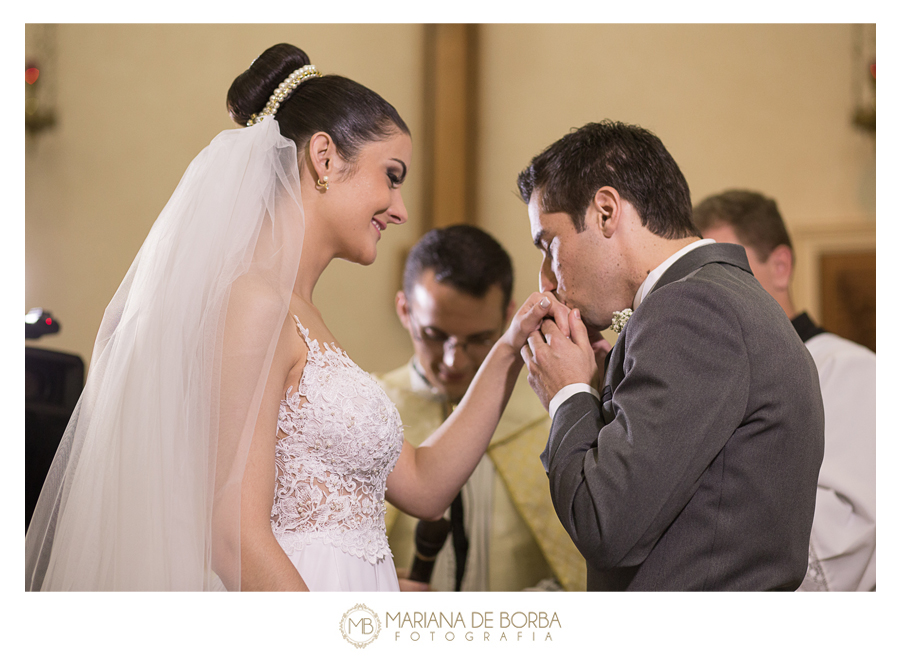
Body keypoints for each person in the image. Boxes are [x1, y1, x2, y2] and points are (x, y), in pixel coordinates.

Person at [24, 43, 569, 591]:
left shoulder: (301, 313)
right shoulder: (252, 301)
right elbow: (232, 531)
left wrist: (510, 348)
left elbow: (425, 485)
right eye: (392, 175)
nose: (401, 209)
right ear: (325, 158)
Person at [516, 120, 825, 591]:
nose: (546, 280)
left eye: (549, 244)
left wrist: (569, 395)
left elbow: (605, 525)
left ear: (605, 212)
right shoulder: (726, 297)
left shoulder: (691, 310)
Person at [379, 225, 586, 591]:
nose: (452, 360)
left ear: (507, 315)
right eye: (434, 335)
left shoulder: (550, 416)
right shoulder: (368, 413)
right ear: (404, 310)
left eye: (477, 339)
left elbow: (581, 568)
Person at [694, 190, 876, 591]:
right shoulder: (708, 384)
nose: (704, 295)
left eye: (724, 270)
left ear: (780, 266)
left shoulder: (851, 369)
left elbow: (850, 532)